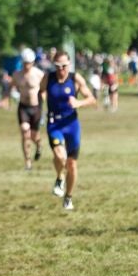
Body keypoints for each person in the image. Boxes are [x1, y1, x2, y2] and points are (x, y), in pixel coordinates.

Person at [39, 51, 96, 210]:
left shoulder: (75, 79)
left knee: (72, 164)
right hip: (54, 124)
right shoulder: (48, 78)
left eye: (64, 66)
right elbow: (41, 91)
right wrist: (43, 102)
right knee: (60, 155)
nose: (61, 69)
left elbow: (92, 99)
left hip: (72, 125)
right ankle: (59, 177)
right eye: (57, 66)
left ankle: (68, 197)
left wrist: (79, 103)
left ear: (69, 65)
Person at [9, 48, 45, 171]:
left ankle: (39, 145)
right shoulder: (17, 74)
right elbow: (11, 86)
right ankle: (28, 162)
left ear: (33, 62)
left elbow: (46, 88)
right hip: (23, 107)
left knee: (34, 136)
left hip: (36, 107)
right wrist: (6, 98)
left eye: (29, 63)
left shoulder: (39, 74)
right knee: (25, 132)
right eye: (25, 63)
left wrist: (45, 98)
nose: (26, 66)